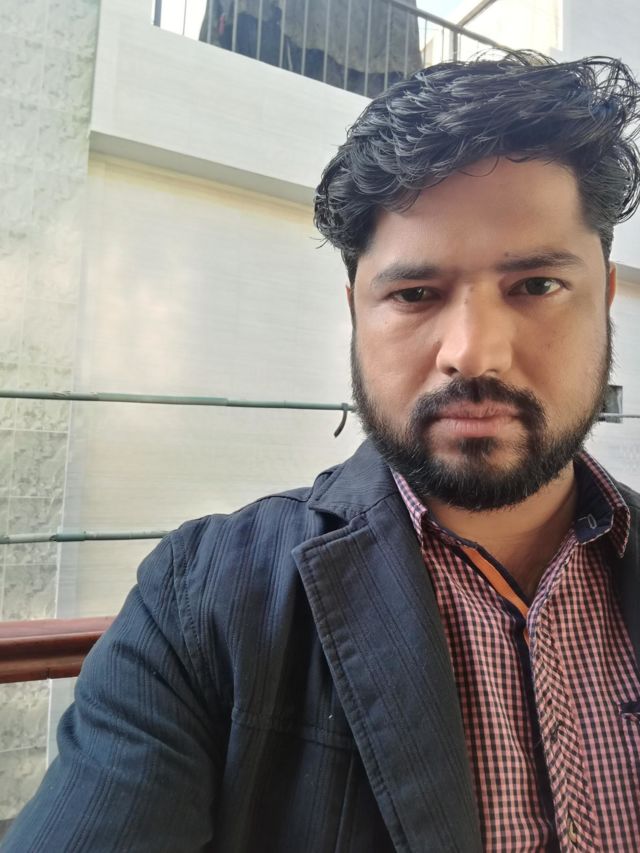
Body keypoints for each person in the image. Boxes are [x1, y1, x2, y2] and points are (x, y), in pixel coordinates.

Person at [4, 51, 640, 852]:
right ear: (356, 311)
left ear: (604, 296)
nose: (474, 352)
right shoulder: (202, 602)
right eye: (415, 293)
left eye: (537, 285)